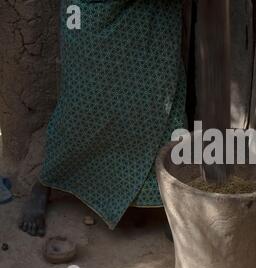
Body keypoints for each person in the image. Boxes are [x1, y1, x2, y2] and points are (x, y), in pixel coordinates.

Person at [19, 0, 187, 236]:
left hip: (150, 15)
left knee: (157, 100)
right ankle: (46, 182)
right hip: (90, 10)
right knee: (82, 105)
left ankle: (166, 199)